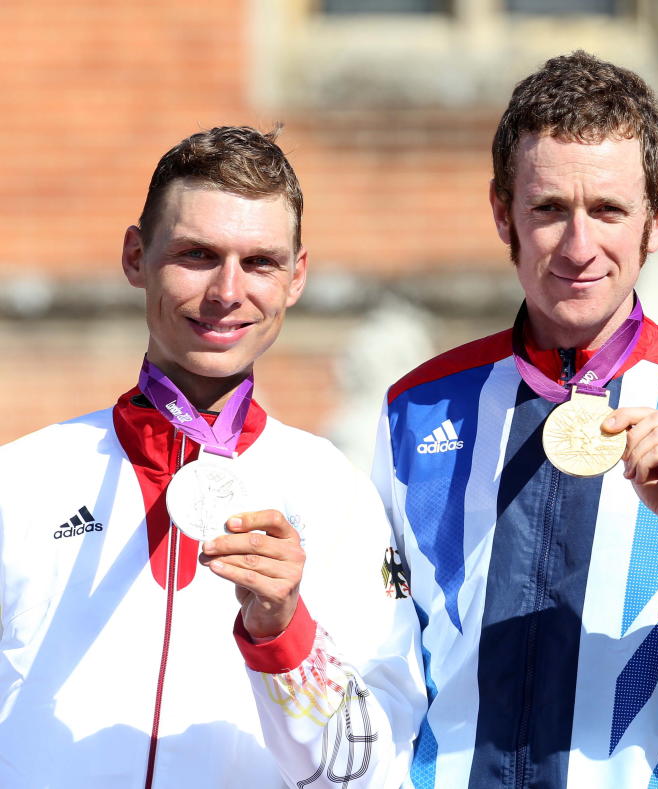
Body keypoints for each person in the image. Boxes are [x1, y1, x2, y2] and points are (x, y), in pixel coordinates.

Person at [348, 50, 658, 787]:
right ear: (501, 213)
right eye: (548, 209)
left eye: (608, 210)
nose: (579, 247)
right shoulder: (417, 409)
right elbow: (376, 679)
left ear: (657, 217)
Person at [0, 126, 423, 788]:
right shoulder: (23, 478)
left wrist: (284, 631)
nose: (228, 291)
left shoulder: (335, 495)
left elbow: (367, 772)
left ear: (296, 277)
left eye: (259, 262)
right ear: (136, 256)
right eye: (198, 255)